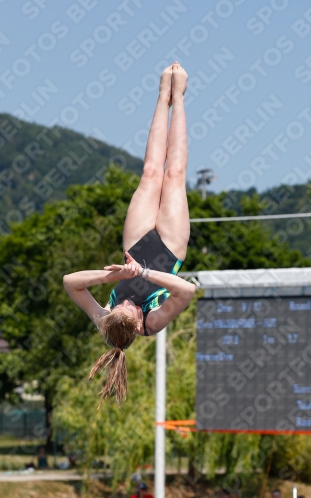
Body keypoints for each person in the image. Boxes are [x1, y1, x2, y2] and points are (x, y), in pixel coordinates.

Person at [63, 62, 195, 405]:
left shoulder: (106, 320)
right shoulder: (152, 323)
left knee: (151, 173)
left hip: (135, 245)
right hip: (168, 248)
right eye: (129, 308)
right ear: (138, 325)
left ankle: (162, 94)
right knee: (175, 174)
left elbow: (69, 282)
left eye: (116, 304)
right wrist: (147, 273)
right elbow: (185, 292)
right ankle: (179, 97)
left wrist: (117, 276)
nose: (123, 302)